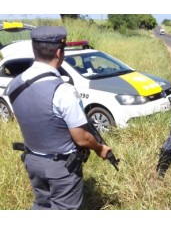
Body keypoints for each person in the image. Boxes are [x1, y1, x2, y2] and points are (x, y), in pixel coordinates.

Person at [6, 26, 112, 210]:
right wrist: (100, 148)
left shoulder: (15, 84)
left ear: (35, 50)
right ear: (58, 52)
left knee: (42, 205)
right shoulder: (63, 91)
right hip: (61, 168)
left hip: (33, 161)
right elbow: (81, 137)